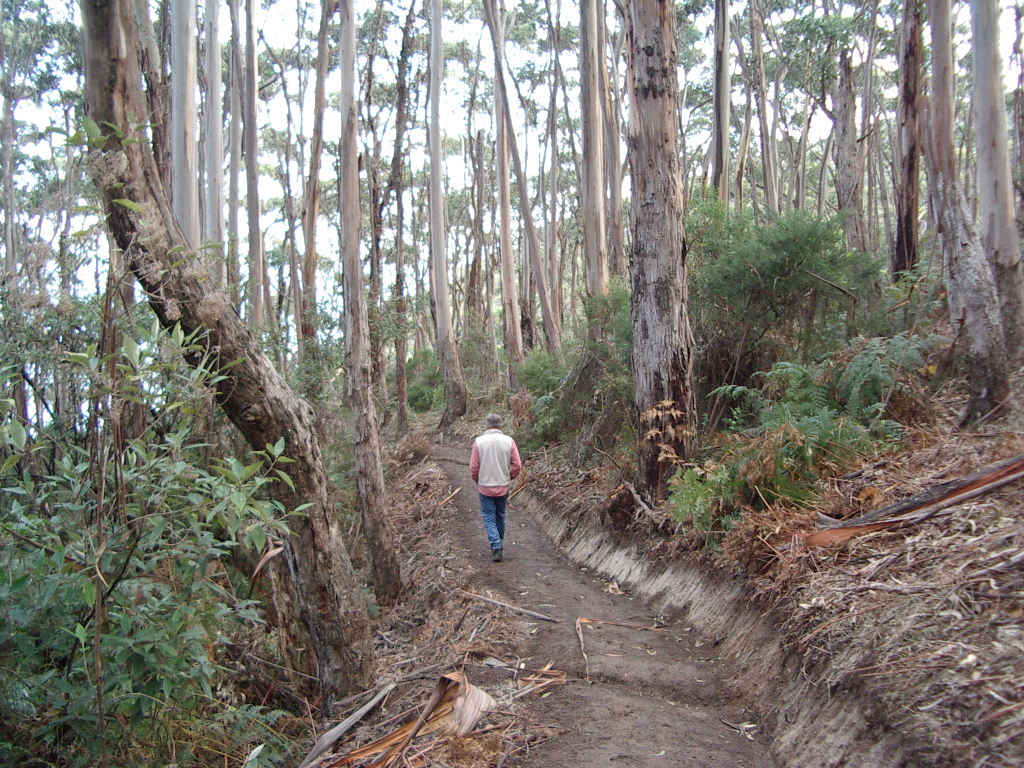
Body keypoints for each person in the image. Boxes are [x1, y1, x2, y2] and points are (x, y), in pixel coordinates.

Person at [470, 413, 522, 562]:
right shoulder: (509, 441)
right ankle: (498, 543)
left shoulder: (479, 442)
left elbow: (474, 467)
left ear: (487, 425)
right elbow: (517, 465)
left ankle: (496, 545)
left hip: (485, 485)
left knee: (488, 517)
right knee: (500, 516)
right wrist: (510, 476)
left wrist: (478, 480)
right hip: (503, 485)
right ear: (501, 425)